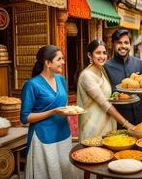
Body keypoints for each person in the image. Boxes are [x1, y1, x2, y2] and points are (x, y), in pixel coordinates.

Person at [20, 45, 75, 179]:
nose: (63, 62)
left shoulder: (61, 79)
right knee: (49, 173)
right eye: (59, 59)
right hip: (43, 136)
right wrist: (53, 112)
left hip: (63, 133)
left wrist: (67, 110)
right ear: (47, 63)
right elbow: (25, 117)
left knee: (67, 170)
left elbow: (63, 104)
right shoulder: (32, 85)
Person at [77, 39, 135, 140]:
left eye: (104, 53)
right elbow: (104, 103)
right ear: (90, 55)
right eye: (98, 53)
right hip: (93, 127)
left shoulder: (101, 71)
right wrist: (126, 124)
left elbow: (107, 97)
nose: (102, 56)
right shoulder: (87, 76)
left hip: (108, 125)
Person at [104, 29, 142, 129]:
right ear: (112, 44)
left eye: (126, 42)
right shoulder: (106, 67)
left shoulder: (140, 64)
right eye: (119, 42)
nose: (123, 46)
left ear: (130, 45)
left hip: (140, 119)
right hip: (117, 122)